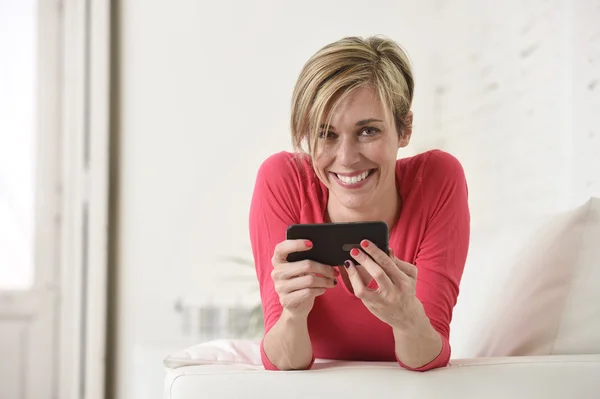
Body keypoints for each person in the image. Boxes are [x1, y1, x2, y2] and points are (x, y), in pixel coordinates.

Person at [249, 35, 470, 372]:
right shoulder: (283, 180)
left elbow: (426, 356)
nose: (347, 158)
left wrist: (408, 319)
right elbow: (284, 361)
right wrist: (293, 313)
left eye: (368, 131)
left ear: (404, 129)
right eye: (326, 134)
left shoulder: (437, 180)